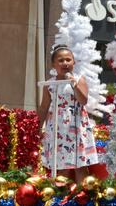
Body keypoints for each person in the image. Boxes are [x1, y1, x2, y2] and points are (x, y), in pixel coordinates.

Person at [38, 45, 98, 182]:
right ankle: (62, 198)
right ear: (53, 64)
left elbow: (83, 100)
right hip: (57, 127)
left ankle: (82, 196)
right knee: (60, 165)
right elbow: (44, 107)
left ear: (73, 62)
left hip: (76, 125)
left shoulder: (79, 80)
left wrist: (74, 84)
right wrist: (37, 127)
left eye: (68, 60)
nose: (65, 63)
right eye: (61, 60)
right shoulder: (49, 84)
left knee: (79, 165)